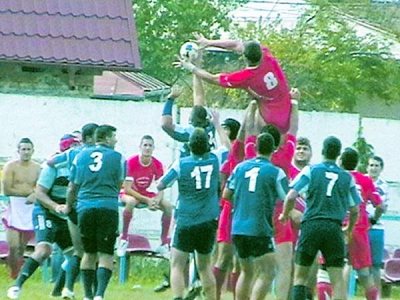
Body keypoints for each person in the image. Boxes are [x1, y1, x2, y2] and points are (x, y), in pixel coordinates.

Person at [280, 136, 361, 300]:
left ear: (322, 151)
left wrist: (284, 213)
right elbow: (355, 209)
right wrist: (349, 229)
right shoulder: (347, 178)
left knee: (300, 278)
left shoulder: (311, 170)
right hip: (334, 228)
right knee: (337, 280)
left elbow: (290, 196)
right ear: (338, 155)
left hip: (311, 225)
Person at [6, 135, 78, 300]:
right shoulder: (53, 167)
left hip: (63, 215)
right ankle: (16, 286)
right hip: (45, 212)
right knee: (44, 250)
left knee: (76, 254)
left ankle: (59, 292)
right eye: (74, 147)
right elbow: (39, 193)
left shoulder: (80, 166)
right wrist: (55, 206)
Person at [157, 128, 225, 300]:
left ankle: (178, 297)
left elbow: (161, 184)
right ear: (208, 144)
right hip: (208, 220)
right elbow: (227, 146)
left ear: (190, 146)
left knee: (177, 265)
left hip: (186, 220)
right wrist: (217, 123)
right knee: (204, 266)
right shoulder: (215, 159)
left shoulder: (182, 163)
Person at [175, 33, 292, 133]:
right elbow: (236, 44)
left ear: (245, 58)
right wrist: (208, 42)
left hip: (272, 118)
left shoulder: (245, 77)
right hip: (288, 108)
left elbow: (212, 78)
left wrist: (190, 67)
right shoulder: (267, 55)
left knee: (255, 135)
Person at [222, 132, 289, 300]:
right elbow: (288, 197)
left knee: (246, 271)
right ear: (274, 150)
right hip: (259, 228)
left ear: (255, 148)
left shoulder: (240, 168)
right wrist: (285, 213)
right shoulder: (276, 172)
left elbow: (226, 194)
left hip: (238, 228)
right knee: (267, 272)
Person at [66, 125, 126, 300]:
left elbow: (72, 186)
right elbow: (119, 183)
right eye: (114, 137)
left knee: (89, 252)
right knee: (106, 253)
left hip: (85, 207)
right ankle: (99, 295)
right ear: (106, 138)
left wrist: (69, 205)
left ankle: (87, 295)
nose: (116, 140)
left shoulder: (80, 156)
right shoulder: (118, 158)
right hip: (107, 207)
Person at [49, 123, 99, 298]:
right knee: (93, 252)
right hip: (90, 203)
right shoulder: (100, 155)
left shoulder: (72, 153)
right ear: (91, 137)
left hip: (73, 204)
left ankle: (66, 288)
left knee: (78, 251)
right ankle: (92, 292)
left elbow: (51, 162)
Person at [340, 148, 384, 300]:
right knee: (364, 271)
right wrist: (373, 220)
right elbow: (380, 205)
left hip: (339, 227)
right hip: (359, 227)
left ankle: (341, 297)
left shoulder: (338, 177)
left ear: (341, 162)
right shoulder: (365, 180)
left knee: (336, 266)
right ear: (357, 163)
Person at [118, 135, 172, 256]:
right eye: (145, 145)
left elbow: (161, 187)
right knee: (131, 202)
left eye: (150, 145)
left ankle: (163, 243)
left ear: (153, 148)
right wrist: (147, 200)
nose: (147, 148)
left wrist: (156, 200)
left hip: (144, 192)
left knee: (167, 206)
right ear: (140, 147)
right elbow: (127, 188)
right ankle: (124, 239)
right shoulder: (131, 162)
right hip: (129, 191)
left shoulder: (157, 164)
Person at [1, 138, 40, 279]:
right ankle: (13, 273)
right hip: (14, 208)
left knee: (22, 247)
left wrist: (35, 194)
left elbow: (41, 188)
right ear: (18, 151)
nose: (26, 152)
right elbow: (7, 190)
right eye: (23, 149)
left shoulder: (37, 168)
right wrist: (27, 194)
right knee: (13, 246)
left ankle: (19, 275)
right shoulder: (10, 166)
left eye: (28, 149)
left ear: (33, 151)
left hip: (29, 209)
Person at [366, 155, 390, 298]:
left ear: (381, 168)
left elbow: (383, 207)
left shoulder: (384, 186)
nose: (373, 168)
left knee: (375, 265)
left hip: (376, 228)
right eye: (371, 165)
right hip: (359, 227)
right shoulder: (359, 181)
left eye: (376, 166)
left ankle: (376, 296)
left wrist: (373, 221)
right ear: (367, 167)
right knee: (351, 262)